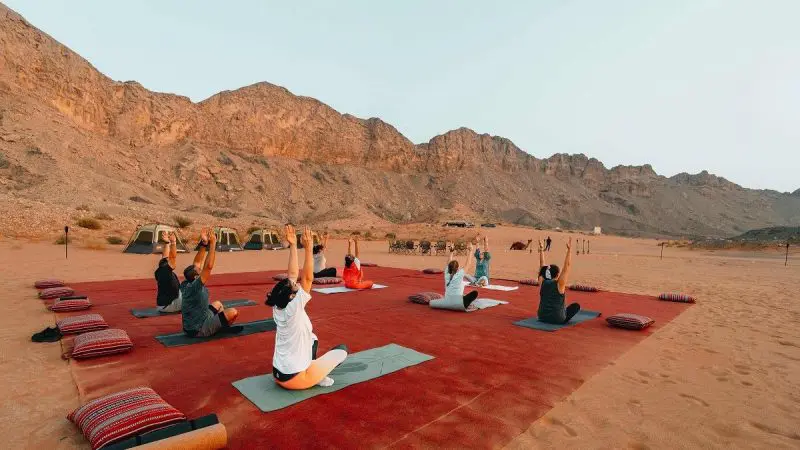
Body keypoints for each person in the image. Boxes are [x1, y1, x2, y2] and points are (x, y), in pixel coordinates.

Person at [267, 225, 348, 390]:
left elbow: (292, 275)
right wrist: (309, 248)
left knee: (313, 339)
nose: (295, 282)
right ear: (292, 296)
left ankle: (311, 371)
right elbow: (308, 278)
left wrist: (293, 246)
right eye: (294, 286)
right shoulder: (294, 307)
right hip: (294, 379)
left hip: (278, 374)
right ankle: (314, 377)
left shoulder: (279, 306)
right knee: (342, 350)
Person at [180, 228, 241, 337]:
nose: (200, 268)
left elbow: (197, 262)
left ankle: (221, 326)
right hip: (198, 329)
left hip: (194, 322)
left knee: (218, 304)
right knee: (233, 312)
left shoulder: (187, 282)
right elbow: (208, 267)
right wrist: (213, 244)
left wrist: (204, 244)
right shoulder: (195, 287)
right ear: (196, 276)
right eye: (199, 270)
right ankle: (220, 329)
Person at [536, 237, 580, 324]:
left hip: (542, 316)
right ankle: (562, 316)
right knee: (576, 306)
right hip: (557, 319)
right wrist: (569, 250)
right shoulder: (560, 284)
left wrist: (541, 249)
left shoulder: (542, 282)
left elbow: (542, 266)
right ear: (557, 274)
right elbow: (567, 266)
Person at [430, 243, 479, 311]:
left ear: (449, 268)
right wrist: (470, 251)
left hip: (447, 301)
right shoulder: (459, 274)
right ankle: (464, 302)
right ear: (457, 268)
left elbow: (448, 263)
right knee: (475, 293)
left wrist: (451, 252)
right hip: (458, 302)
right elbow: (468, 264)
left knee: (432, 303)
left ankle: (462, 300)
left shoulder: (446, 274)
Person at [154, 231, 182, 313]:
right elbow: (172, 258)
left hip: (162, 305)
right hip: (168, 306)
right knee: (191, 296)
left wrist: (166, 243)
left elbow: (165, 256)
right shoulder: (166, 271)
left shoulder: (160, 270)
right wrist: (173, 243)